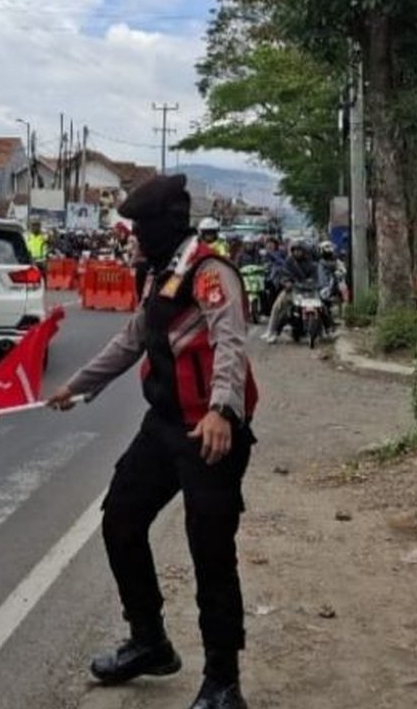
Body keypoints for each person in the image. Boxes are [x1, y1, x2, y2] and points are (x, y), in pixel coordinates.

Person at [48, 173, 257, 709]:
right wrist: (78, 386)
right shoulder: (160, 273)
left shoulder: (210, 273)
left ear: (165, 225)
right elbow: (132, 339)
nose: (133, 236)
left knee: (210, 551)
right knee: (120, 518)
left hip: (212, 433)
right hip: (165, 426)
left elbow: (231, 342)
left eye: (140, 226)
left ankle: (223, 682)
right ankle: (150, 641)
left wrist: (220, 411)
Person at [262, 242, 320, 343]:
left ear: (304, 251)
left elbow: (316, 277)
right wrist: (286, 282)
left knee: (322, 305)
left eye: (299, 250)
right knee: (278, 306)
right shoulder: (289, 262)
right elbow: (284, 274)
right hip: (293, 290)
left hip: (308, 291)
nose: (297, 253)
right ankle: (272, 331)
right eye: (295, 250)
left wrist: (313, 283)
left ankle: (325, 328)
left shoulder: (311, 263)